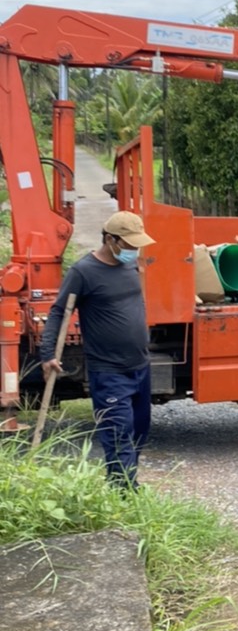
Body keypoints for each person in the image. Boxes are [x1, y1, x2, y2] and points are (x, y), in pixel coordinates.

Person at [39, 209, 156, 490]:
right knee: (118, 432)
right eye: (129, 244)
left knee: (140, 429)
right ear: (110, 239)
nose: (134, 249)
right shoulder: (84, 271)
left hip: (140, 364)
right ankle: (124, 491)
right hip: (109, 371)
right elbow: (58, 312)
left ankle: (126, 482)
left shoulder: (130, 266)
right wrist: (47, 354)